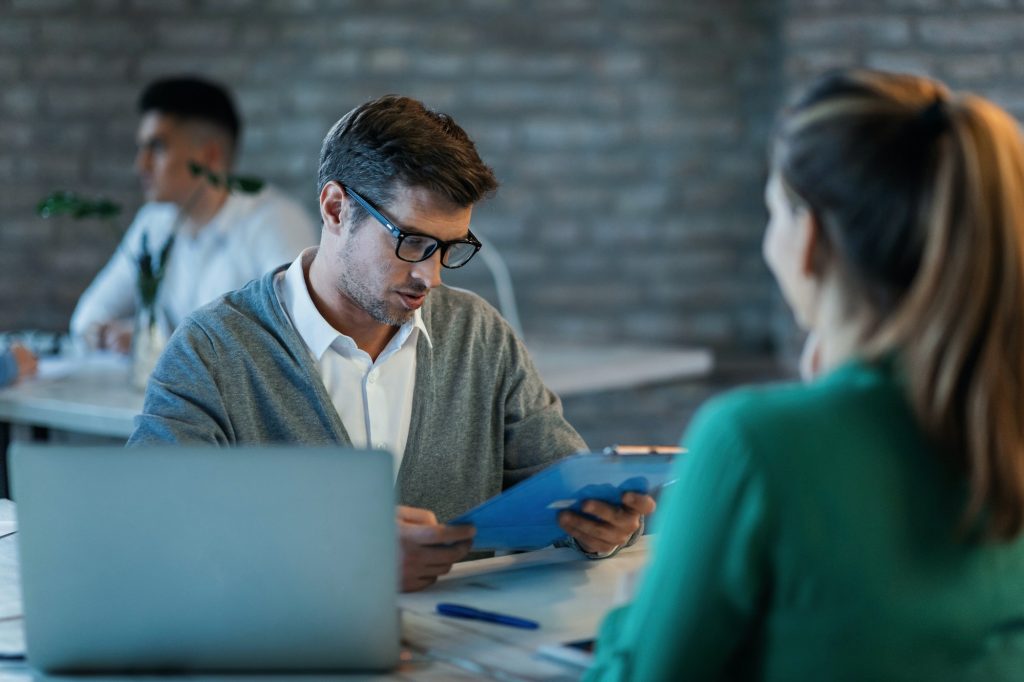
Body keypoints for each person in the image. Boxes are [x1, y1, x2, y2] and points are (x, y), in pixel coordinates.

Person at [585, 68, 1024, 680]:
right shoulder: (999, 423)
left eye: (773, 214)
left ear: (808, 236)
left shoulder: (755, 443)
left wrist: (630, 620)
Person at [128, 95, 655, 591]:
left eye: (449, 248)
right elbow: (151, 527)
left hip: (463, 653)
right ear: (335, 209)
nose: (432, 277)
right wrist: (344, 550)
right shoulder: (212, 350)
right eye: (412, 243)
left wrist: (600, 529)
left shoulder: (479, 336)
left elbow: (562, 485)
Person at [70, 76, 317, 352]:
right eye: (142, 148)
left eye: (158, 147)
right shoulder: (154, 222)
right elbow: (87, 317)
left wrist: (158, 341)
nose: (141, 165)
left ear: (210, 155)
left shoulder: (274, 221)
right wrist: (109, 335)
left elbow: (294, 333)